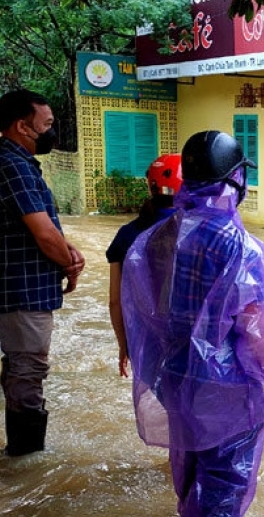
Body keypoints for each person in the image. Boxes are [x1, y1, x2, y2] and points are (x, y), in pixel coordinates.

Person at [121, 131, 264, 517]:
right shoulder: (239, 244)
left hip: (173, 376)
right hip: (227, 388)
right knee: (225, 486)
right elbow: (254, 326)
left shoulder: (158, 235)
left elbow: (147, 314)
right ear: (236, 181)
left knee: (189, 474)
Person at [0, 89, 85, 457]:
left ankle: (23, 451)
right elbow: (41, 231)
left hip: (23, 284)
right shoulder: (13, 165)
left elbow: (45, 229)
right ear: (23, 126)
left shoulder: (17, 163)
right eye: (48, 124)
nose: (52, 131)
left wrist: (67, 250)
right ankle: (24, 456)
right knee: (28, 367)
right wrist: (69, 263)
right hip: (20, 287)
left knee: (25, 365)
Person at [106, 155, 182, 377]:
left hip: (144, 341)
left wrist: (124, 345)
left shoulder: (126, 234)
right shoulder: (197, 233)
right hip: (187, 339)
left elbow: (115, 301)